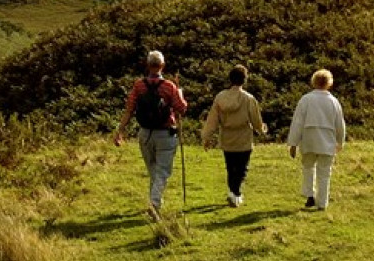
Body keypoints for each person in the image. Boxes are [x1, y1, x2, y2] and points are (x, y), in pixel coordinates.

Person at [114, 50, 188, 218]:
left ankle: (155, 203)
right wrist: (180, 92)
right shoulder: (169, 86)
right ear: (162, 65)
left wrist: (120, 131)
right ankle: (154, 204)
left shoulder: (138, 86)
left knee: (153, 171)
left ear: (148, 65)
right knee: (162, 171)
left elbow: (129, 110)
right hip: (166, 134)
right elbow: (182, 109)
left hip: (145, 133)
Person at [201, 64, 267, 207]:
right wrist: (261, 130)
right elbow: (256, 119)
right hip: (243, 137)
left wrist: (207, 137)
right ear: (244, 80)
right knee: (242, 167)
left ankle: (233, 192)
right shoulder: (248, 98)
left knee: (231, 167)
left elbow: (212, 120)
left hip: (227, 137)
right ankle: (236, 193)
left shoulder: (220, 97)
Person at [287, 68, 346, 210]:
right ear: (329, 83)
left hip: (309, 139)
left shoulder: (306, 99)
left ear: (313, 82)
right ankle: (322, 203)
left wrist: (293, 143)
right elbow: (340, 123)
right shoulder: (334, 101)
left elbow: (298, 122)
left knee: (308, 168)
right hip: (327, 140)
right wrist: (340, 141)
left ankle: (309, 195)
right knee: (324, 172)